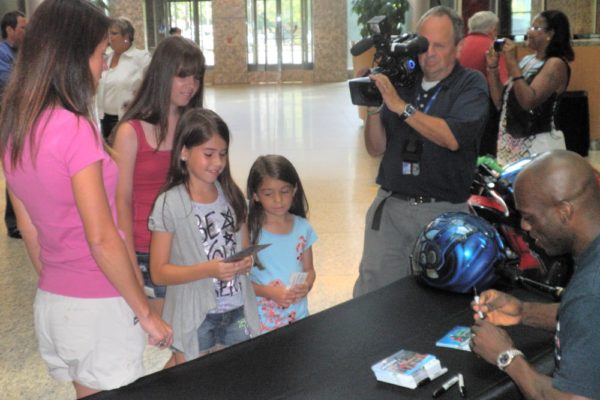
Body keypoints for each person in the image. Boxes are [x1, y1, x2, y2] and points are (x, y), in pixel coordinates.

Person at [0, 1, 172, 398]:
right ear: (74, 58)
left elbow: (28, 228)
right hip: (99, 304)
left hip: (54, 302)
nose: (104, 66)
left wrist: (60, 288)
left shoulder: (15, 127)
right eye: (100, 55)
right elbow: (102, 237)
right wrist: (145, 313)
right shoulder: (74, 129)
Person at [352, 6, 489, 297]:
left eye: (440, 46)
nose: (430, 54)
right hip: (391, 207)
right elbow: (375, 148)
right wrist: (375, 109)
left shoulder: (470, 84)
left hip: (443, 214)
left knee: (436, 304)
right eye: (424, 45)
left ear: (459, 47)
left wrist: (401, 107)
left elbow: (451, 138)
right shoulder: (403, 80)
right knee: (373, 299)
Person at [471, 149, 600, 399]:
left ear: (564, 212)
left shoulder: (590, 291)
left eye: (529, 217)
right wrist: (523, 312)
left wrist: (506, 357)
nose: (525, 227)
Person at [111, 35, 205, 368]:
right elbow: (120, 203)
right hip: (143, 251)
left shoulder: (194, 127)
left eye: (196, 76)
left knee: (192, 344)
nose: (191, 84)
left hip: (184, 248)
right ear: (163, 74)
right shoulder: (130, 132)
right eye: (183, 75)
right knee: (177, 345)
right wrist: (129, 266)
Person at [148, 108, 260, 363]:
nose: (218, 162)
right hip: (195, 315)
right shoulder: (170, 204)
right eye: (208, 154)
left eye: (222, 154)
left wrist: (246, 263)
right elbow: (159, 272)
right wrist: (208, 269)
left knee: (231, 380)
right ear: (184, 152)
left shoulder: (233, 196)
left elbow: (245, 252)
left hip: (237, 310)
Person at [486, 10, 574, 166]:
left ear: (550, 34)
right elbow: (500, 101)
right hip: (512, 141)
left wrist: (512, 63)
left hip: (538, 143)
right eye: (530, 27)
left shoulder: (556, 64)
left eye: (535, 28)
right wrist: (492, 68)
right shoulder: (528, 60)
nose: (528, 31)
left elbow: (528, 101)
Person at [246, 154, 317, 332]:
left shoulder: (303, 229)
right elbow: (239, 282)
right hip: (261, 322)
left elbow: (309, 269)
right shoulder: (249, 232)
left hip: (298, 315)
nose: (278, 200)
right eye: (269, 193)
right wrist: (270, 293)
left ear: (294, 190)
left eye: (284, 191)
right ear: (255, 195)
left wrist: (306, 285)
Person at [459, 10, 508, 157]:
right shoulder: (491, 47)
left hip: (457, 107)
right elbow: (503, 82)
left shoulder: (459, 46)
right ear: (493, 29)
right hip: (483, 111)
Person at [96, 17, 151, 139]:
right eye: (108, 33)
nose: (110, 37)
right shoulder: (106, 58)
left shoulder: (141, 58)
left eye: (114, 33)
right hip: (104, 118)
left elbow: (152, 87)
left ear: (126, 36)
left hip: (128, 119)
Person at [0, 10, 26, 239]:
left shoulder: (22, 53)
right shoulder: (2, 53)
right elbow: (11, 81)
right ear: (9, 30)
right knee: (13, 166)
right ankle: (13, 221)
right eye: (22, 28)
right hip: (8, 120)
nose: (25, 32)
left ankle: (22, 217)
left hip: (22, 118)